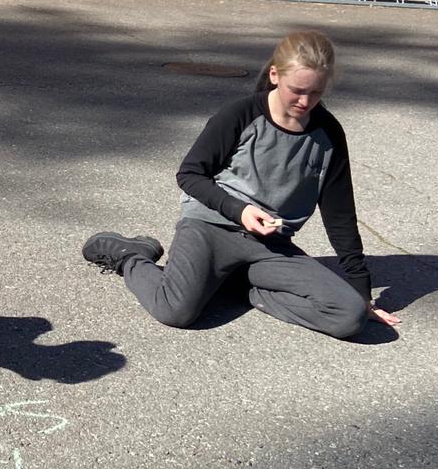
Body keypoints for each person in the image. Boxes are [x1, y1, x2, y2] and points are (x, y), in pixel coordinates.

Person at [83, 30, 400, 338]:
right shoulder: (241, 114)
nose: (305, 101)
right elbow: (190, 175)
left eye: (316, 92)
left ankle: (233, 283)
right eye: (297, 90)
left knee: (349, 315)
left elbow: (340, 214)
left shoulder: (328, 133)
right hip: (210, 229)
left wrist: (362, 293)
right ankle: (130, 255)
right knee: (175, 311)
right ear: (275, 75)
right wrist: (240, 211)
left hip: (270, 246)